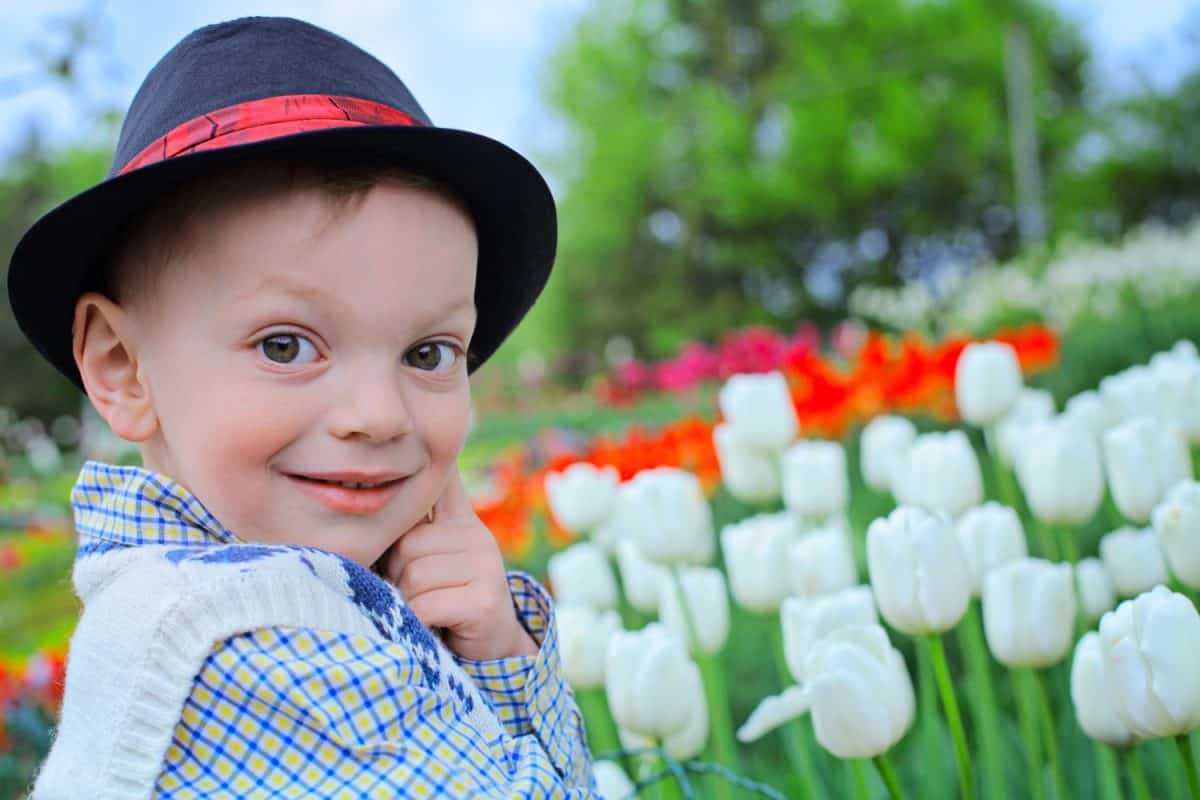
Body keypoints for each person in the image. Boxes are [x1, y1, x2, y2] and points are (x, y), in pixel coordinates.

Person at [8, 16, 597, 798]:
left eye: (427, 354)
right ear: (123, 368)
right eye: (285, 346)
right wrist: (504, 667)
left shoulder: (260, 596)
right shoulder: (242, 654)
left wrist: (489, 643)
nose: (378, 415)